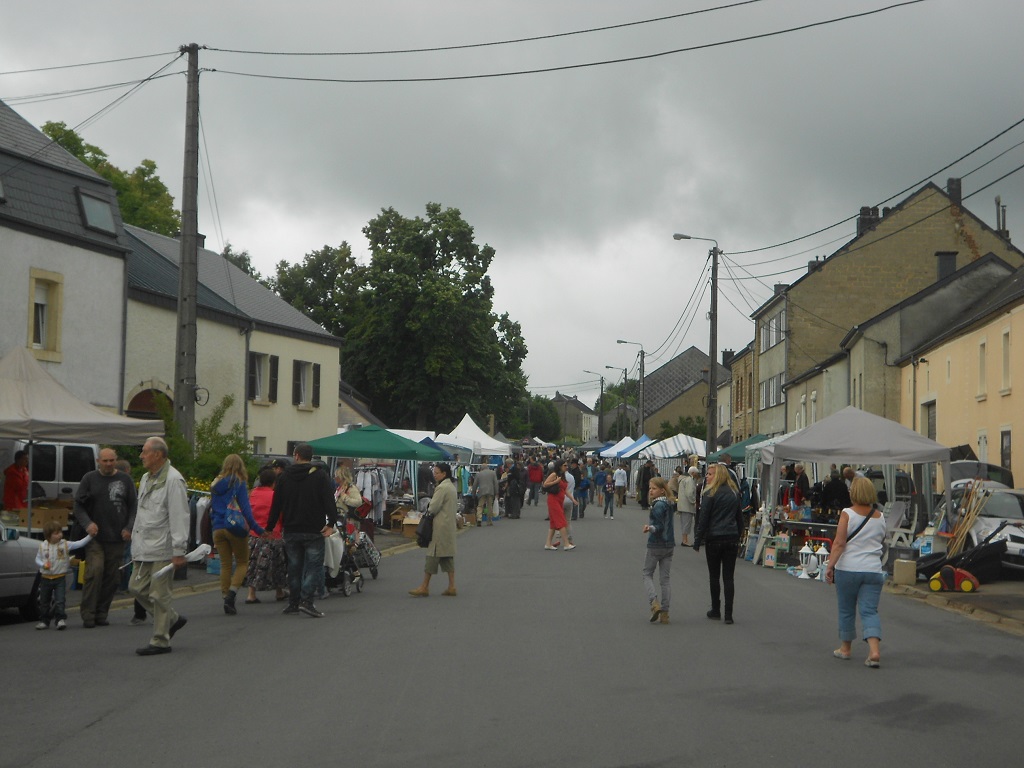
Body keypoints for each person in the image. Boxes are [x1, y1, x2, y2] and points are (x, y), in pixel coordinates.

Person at [129, 436, 189, 656]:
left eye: (144, 452)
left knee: (160, 595)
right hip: (144, 547)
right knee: (135, 587)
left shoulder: (173, 480)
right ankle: (172, 620)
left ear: (157, 454)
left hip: (163, 548)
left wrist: (179, 551)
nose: (141, 456)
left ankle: (160, 641)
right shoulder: (146, 478)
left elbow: (180, 516)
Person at [266, 443, 338, 618]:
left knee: (294, 567)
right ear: (311, 457)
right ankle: (306, 601)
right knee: (313, 567)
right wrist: (331, 523)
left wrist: (269, 527)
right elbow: (329, 501)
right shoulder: (320, 476)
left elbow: (276, 505)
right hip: (314, 529)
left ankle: (293, 603)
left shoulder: (283, 477)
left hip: (291, 528)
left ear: (296, 455)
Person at [73, 447, 138, 628]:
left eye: (112, 460)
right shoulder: (89, 479)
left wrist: (129, 527)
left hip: (117, 537)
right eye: (105, 461)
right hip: (95, 537)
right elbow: (78, 506)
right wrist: (88, 524)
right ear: (98, 461)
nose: (109, 464)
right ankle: (88, 614)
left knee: (112, 577)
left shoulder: (125, 480)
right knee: (95, 571)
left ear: (116, 460)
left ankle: (102, 612)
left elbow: (134, 506)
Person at [826, 476, 885, 668]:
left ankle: (845, 648)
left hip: (849, 568)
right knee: (869, 611)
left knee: (846, 609)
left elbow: (839, 543)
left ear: (854, 493)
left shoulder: (847, 514)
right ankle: (874, 651)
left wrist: (830, 565)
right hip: (873, 570)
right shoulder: (880, 516)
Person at [210, 454, 266, 615]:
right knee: (242, 562)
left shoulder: (215, 484)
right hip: (234, 527)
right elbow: (246, 510)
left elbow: (211, 508)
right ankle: (232, 594)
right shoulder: (239, 483)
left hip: (218, 528)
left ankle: (225, 595)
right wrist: (258, 529)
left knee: (225, 564)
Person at [693, 463, 744, 625]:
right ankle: (728, 614)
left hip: (714, 538)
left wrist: (697, 539)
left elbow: (704, 518)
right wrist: (739, 534)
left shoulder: (710, 493)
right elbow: (739, 518)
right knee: (729, 577)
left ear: (718, 475)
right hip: (731, 537)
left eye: (709, 474)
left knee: (714, 576)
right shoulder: (734, 493)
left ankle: (716, 609)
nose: (706, 477)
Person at [409, 463, 458, 596]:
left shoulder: (442, 488)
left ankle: (424, 586)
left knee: (432, 555)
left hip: (439, 526)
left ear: (444, 473)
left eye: (437, 473)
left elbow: (433, 507)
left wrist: (427, 510)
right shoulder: (451, 486)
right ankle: (452, 586)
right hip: (448, 525)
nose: (435, 475)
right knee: (447, 556)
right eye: (434, 472)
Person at [34, 521, 91, 630]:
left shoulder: (65, 544)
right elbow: (37, 559)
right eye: (56, 533)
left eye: (60, 532)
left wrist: (90, 536)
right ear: (48, 535)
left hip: (60, 577)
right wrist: (43, 564)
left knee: (60, 600)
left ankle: (60, 619)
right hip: (45, 578)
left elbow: (79, 543)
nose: (59, 535)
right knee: (44, 601)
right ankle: (44, 620)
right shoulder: (42, 546)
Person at [244, 467, 287, 604]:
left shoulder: (252, 494)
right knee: (277, 565)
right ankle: (279, 591)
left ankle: (251, 593)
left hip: (254, 534)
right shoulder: (275, 495)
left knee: (253, 564)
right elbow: (281, 515)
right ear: (274, 482)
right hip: (273, 534)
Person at [642, 476, 676, 624]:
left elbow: (659, 525)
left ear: (662, 490)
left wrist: (650, 528)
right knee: (665, 580)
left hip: (656, 544)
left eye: (654, 488)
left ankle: (654, 602)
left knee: (647, 574)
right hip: (669, 545)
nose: (651, 491)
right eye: (650, 488)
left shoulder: (658, 506)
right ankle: (665, 612)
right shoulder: (669, 503)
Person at [543, 461, 576, 551]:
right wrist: (555, 482)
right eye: (564, 465)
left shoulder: (563, 475)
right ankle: (566, 543)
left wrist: (573, 499)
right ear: (560, 466)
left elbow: (565, 490)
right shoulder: (554, 474)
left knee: (553, 524)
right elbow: (545, 484)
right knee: (561, 521)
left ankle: (548, 543)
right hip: (553, 500)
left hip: (559, 500)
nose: (567, 467)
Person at [677, 466, 700, 546]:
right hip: (687, 505)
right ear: (693, 473)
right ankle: (685, 540)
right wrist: (694, 501)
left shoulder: (682, 479)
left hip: (681, 504)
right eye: (696, 473)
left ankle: (684, 539)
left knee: (684, 523)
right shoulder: (689, 480)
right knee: (687, 523)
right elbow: (689, 493)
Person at [473, 460, 499, 526]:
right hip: (490, 491)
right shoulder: (493, 473)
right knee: (489, 506)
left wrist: (473, 493)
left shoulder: (478, 474)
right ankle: (489, 521)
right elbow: (496, 483)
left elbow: (475, 484)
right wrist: (497, 492)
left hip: (481, 491)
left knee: (480, 505)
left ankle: (479, 519)